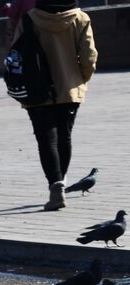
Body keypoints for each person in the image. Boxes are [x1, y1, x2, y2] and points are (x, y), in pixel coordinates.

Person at [23, 0, 97, 210]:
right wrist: (79, 79)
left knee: (46, 140)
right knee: (64, 137)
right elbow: (89, 56)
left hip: (37, 90)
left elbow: (15, 52)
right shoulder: (81, 18)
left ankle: (55, 184)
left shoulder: (29, 19)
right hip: (69, 89)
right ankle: (61, 183)